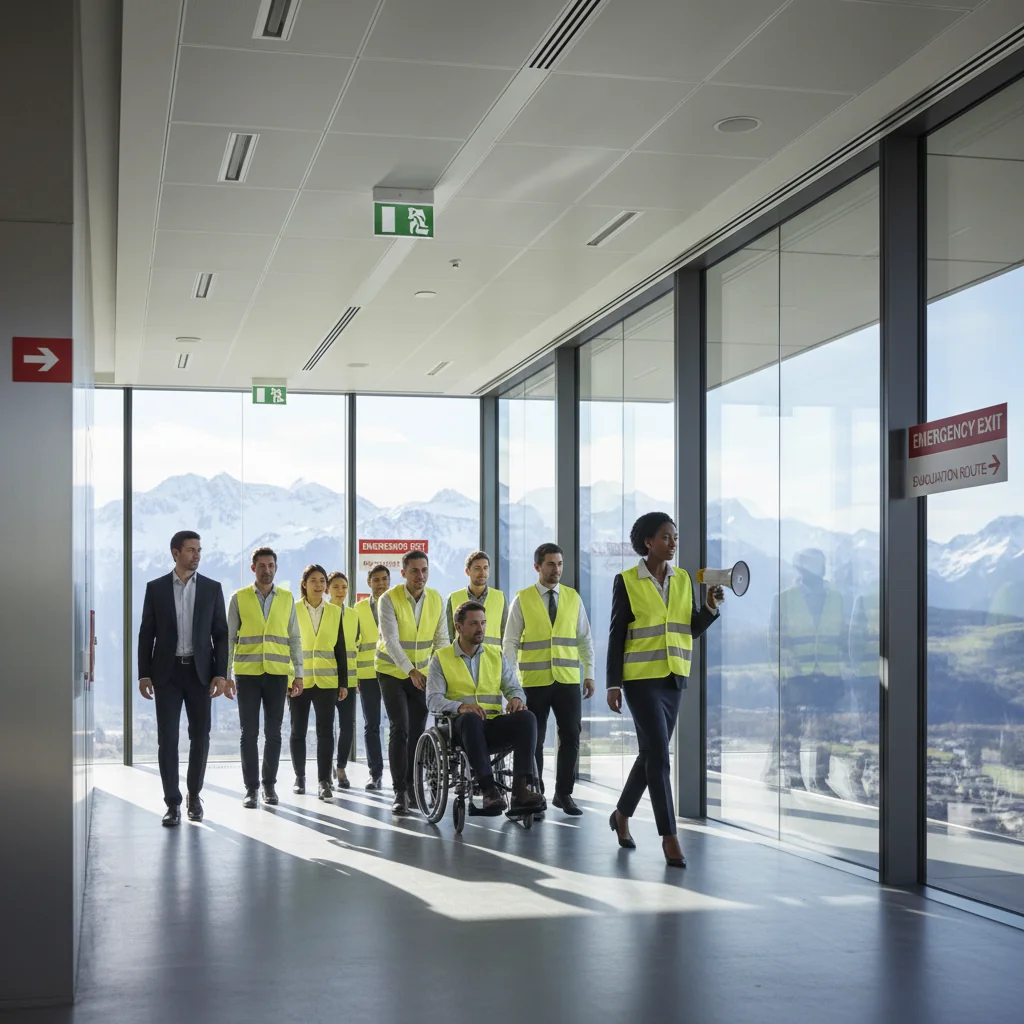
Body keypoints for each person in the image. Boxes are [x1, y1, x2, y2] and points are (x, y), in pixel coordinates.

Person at [606, 513, 723, 868]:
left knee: (650, 757)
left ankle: (621, 815)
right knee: (659, 755)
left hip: (673, 679)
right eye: (667, 537)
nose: (673, 543)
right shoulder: (626, 581)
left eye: (675, 537)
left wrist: (710, 609)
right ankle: (669, 837)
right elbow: (616, 634)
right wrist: (613, 682)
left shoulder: (684, 579)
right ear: (648, 542)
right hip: (639, 680)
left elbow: (688, 629)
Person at [137, 530, 228, 826]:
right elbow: (145, 634)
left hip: (201, 674)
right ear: (176, 553)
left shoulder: (212, 589)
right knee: (168, 740)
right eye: (191, 550)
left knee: (200, 737)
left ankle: (193, 795)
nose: (197, 555)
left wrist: (220, 673)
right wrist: (144, 674)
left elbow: (221, 635)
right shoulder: (156, 588)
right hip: (167, 673)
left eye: (199, 549)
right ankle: (172, 803)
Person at [502, 542, 595, 817]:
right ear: (537, 567)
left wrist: (589, 673)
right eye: (551, 564)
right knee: (535, 739)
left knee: (571, 736)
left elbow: (584, 639)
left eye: (560, 564)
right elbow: (510, 643)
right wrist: (511, 685)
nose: (557, 570)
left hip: (567, 680)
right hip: (533, 680)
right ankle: (536, 792)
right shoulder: (522, 599)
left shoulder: (572, 598)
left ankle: (563, 794)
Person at [426, 601, 545, 814]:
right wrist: (461, 707)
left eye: (483, 623)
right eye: (473, 623)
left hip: (492, 725)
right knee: (471, 719)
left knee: (527, 717)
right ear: (459, 627)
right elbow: (433, 699)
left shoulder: (495, 655)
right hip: (459, 730)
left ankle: (520, 790)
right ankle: (489, 790)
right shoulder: (440, 659)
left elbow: (513, 687)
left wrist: (516, 698)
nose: (480, 628)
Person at [223, 546, 304, 809]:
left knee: (274, 733)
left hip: (278, 674)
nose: (266, 570)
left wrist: (298, 675)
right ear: (253, 568)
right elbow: (229, 639)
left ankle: (269, 786)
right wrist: (226, 676)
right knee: (249, 733)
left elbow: (294, 638)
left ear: (276, 568)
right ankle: (251, 789)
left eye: (271, 566)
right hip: (247, 674)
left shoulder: (287, 598)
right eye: (261, 566)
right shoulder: (239, 598)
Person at [767, 548, 847, 796]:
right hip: (796, 675)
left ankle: (820, 779)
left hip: (828, 674)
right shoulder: (784, 598)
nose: (817, 571)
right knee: (793, 729)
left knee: (826, 730)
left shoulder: (836, 598)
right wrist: (780, 674)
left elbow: (842, 638)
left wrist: (843, 672)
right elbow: (774, 641)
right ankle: (794, 777)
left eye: (819, 566)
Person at [376, 549, 447, 815]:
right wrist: (410, 671)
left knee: (417, 733)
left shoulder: (436, 599)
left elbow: (441, 641)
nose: (421, 575)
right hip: (392, 671)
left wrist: (440, 672)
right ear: (403, 573)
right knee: (400, 727)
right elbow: (390, 641)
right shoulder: (388, 599)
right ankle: (399, 792)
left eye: (425, 570)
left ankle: (414, 787)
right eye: (415, 570)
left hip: (423, 674)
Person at [289, 565, 353, 800]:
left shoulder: (335, 612)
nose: (319, 585)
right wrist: (290, 678)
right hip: (299, 680)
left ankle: (324, 781)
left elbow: (340, 649)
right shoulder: (293, 609)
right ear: (304, 583)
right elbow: (288, 646)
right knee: (298, 731)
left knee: (326, 732)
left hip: (327, 681)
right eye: (313, 580)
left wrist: (343, 683)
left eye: (322, 581)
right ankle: (299, 777)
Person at [352, 564, 390, 791]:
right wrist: (355, 674)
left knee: (398, 726)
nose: (381, 584)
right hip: (367, 675)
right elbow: (353, 644)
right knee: (372, 725)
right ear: (369, 583)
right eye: (376, 580)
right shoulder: (358, 609)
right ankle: (375, 774)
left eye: (385, 579)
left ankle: (402, 774)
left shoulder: (396, 604)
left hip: (394, 673)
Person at [326, 571, 358, 789]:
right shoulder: (324, 613)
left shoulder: (354, 616)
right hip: (326, 677)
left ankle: (340, 767)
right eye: (336, 586)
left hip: (350, 679)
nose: (341, 591)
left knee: (347, 726)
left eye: (344, 587)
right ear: (328, 589)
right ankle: (325, 768)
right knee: (326, 727)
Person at [445, 550, 507, 644]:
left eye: (485, 568)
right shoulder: (453, 598)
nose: (482, 572)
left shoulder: (500, 597)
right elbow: (448, 636)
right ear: (467, 571)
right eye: (477, 568)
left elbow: (506, 635)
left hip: (492, 657)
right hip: (462, 657)